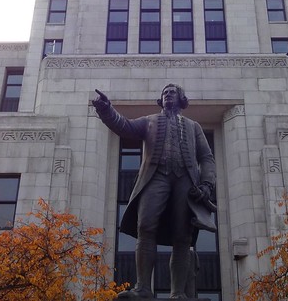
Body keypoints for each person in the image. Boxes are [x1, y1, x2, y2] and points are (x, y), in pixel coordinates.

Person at [92, 84, 216, 299]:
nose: (168, 95)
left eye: (172, 92)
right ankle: (143, 289)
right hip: (156, 177)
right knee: (145, 226)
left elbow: (206, 157)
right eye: (164, 93)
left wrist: (207, 184)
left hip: (185, 181)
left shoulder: (193, 126)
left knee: (182, 236)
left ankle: (178, 293)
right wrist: (106, 109)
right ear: (161, 99)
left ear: (181, 99)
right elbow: (123, 126)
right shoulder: (149, 121)